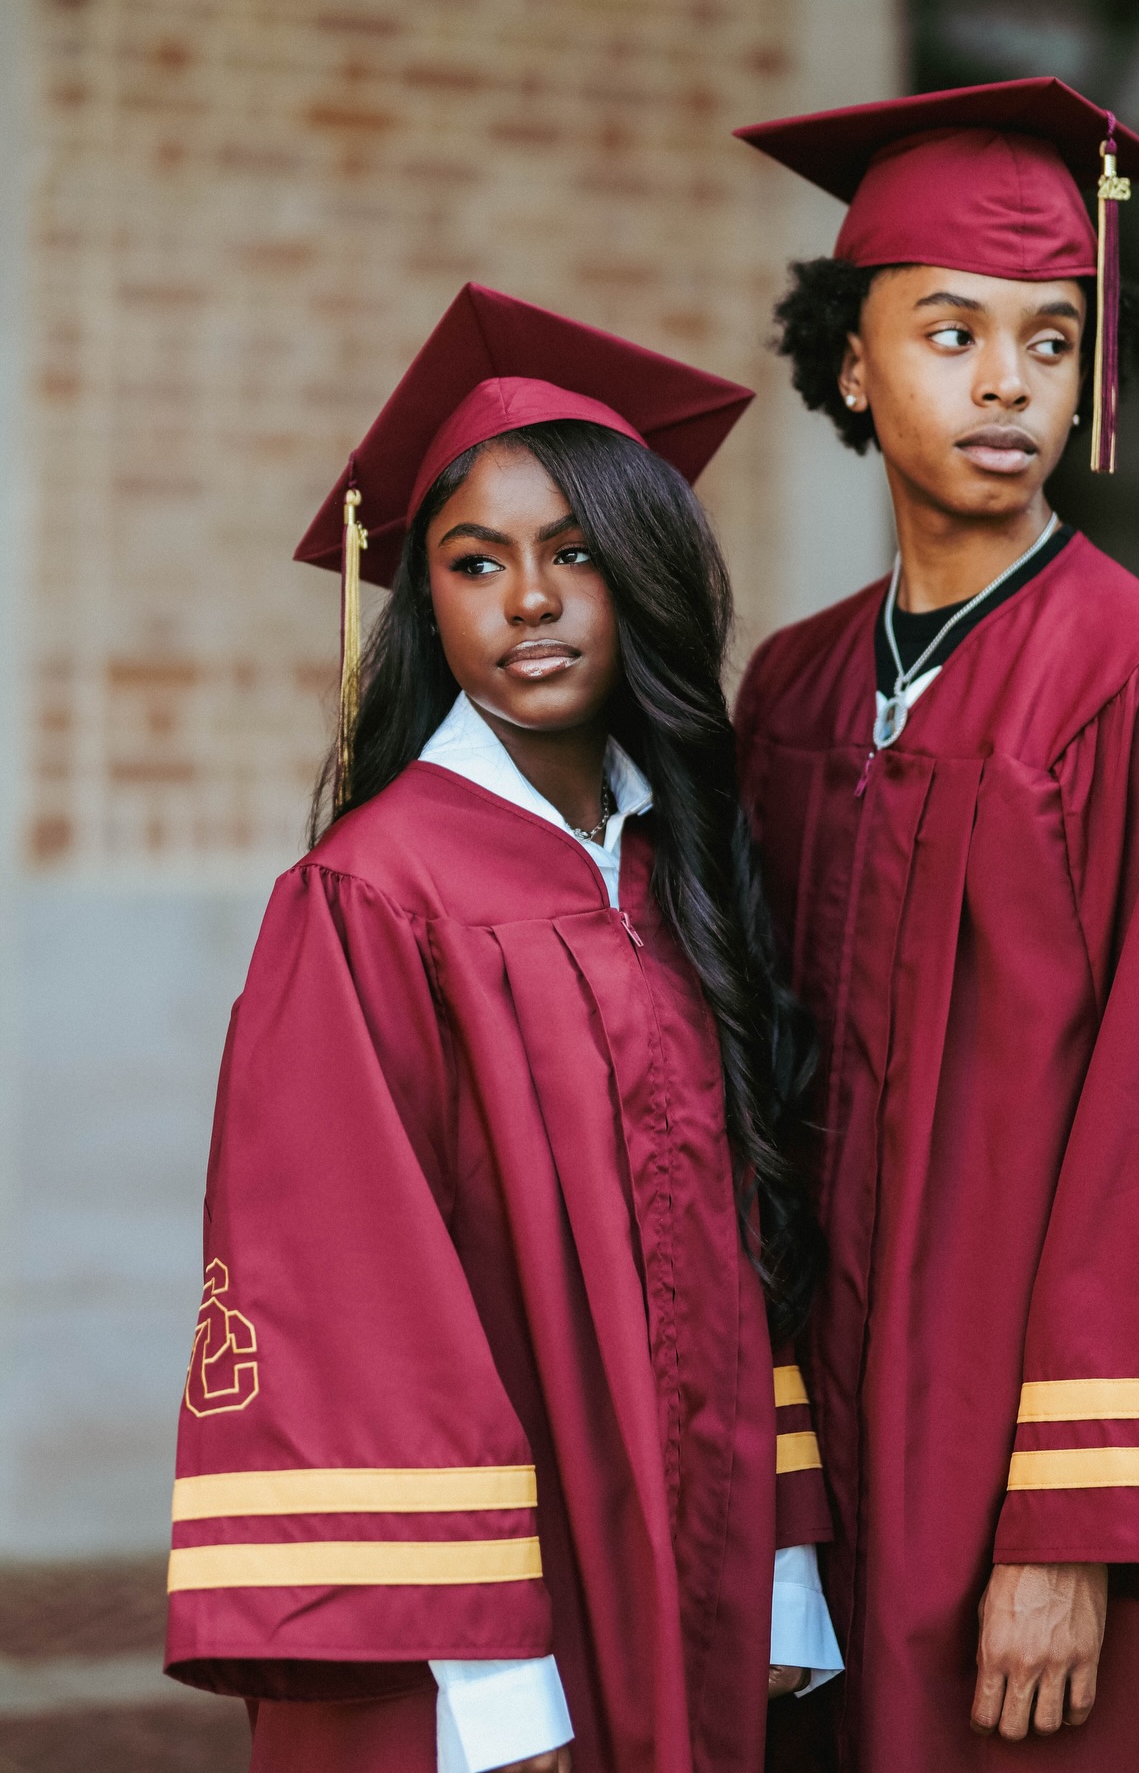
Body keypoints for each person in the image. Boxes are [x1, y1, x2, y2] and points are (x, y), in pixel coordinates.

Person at [163, 284, 843, 1773]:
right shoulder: (367, 898)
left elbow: (748, 1239)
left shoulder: (686, 871)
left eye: (574, 555)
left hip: (700, 1579)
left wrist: (785, 1565)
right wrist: (492, 1682)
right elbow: (354, 1304)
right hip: (498, 1643)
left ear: (646, 579)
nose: (528, 601)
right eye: (475, 564)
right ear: (427, 603)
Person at [731, 80, 1139, 1773]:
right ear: (853, 361)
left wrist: (1073, 1530)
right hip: (828, 1457)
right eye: (952, 332)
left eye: (1053, 342)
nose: (1008, 383)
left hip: (1018, 1463)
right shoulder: (798, 687)